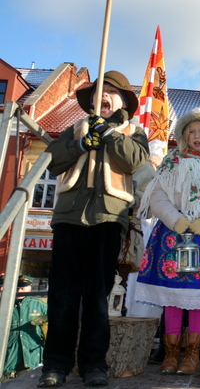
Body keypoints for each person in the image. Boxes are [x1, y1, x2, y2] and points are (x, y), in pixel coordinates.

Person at [38, 71, 149, 388]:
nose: (104, 95)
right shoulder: (75, 129)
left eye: (111, 91)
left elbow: (135, 161)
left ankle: (94, 364)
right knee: (63, 296)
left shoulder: (133, 132)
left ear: (122, 102)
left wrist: (109, 134)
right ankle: (55, 365)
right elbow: (52, 161)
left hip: (108, 218)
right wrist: (80, 145)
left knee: (97, 297)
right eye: (100, 90)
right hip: (70, 217)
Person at [135, 108, 200, 374]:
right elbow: (157, 195)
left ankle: (193, 354)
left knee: (198, 297)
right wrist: (176, 220)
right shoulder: (172, 160)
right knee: (173, 296)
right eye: (191, 131)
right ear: (184, 134)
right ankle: (171, 353)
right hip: (173, 234)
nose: (196, 136)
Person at [2, 275, 47, 380]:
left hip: (32, 358)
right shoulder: (4, 304)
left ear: (30, 288)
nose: (19, 291)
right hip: (7, 361)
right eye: (17, 288)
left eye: (22, 288)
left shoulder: (39, 304)